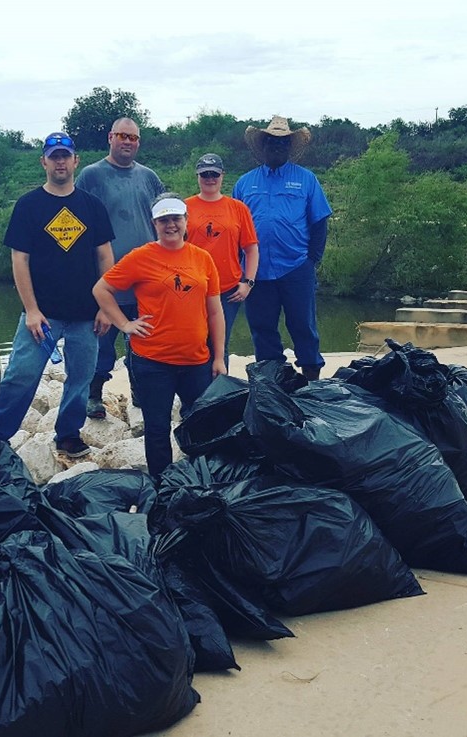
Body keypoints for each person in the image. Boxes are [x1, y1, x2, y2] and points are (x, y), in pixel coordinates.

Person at [0, 132, 115, 458]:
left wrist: (106, 306)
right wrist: (30, 309)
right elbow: (20, 260)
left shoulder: (93, 205)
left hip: (86, 314)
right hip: (41, 314)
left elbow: (106, 257)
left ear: (76, 161)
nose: (60, 162)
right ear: (44, 161)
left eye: (65, 156)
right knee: (21, 375)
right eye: (54, 156)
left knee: (81, 377)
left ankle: (68, 434)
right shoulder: (29, 205)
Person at [93, 193, 225, 480]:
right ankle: (162, 486)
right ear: (154, 223)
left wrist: (219, 357)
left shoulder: (202, 259)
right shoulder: (141, 257)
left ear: (186, 221)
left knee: (201, 424)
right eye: (164, 220)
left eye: (176, 218)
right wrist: (125, 324)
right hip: (153, 362)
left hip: (196, 361)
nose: (171, 225)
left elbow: (215, 312)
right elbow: (101, 290)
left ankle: (200, 480)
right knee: (157, 429)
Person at [75, 117, 165, 418]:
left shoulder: (150, 177)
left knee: (144, 338)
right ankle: (93, 394)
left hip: (147, 278)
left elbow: (163, 218)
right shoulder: (91, 175)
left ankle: (141, 392)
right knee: (102, 339)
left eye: (134, 138)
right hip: (108, 278)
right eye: (122, 136)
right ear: (110, 137)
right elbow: (77, 220)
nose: (128, 142)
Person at [232, 116, 332, 381]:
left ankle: (312, 380)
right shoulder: (244, 183)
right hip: (256, 271)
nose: (276, 146)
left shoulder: (307, 180)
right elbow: (234, 228)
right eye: (271, 141)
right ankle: (272, 380)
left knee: (303, 325)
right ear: (262, 145)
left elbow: (320, 222)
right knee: (262, 327)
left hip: (297, 267)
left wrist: (312, 260)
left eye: (282, 142)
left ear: (289, 147)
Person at [185, 153, 259, 368]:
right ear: (198, 176)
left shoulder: (237, 208)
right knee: (193, 341)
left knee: (219, 344)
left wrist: (248, 282)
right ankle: (194, 395)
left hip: (227, 289)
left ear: (222, 176)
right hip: (192, 287)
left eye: (214, 174)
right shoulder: (185, 207)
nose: (210, 179)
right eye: (205, 174)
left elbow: (251, 248)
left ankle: (217, 395)